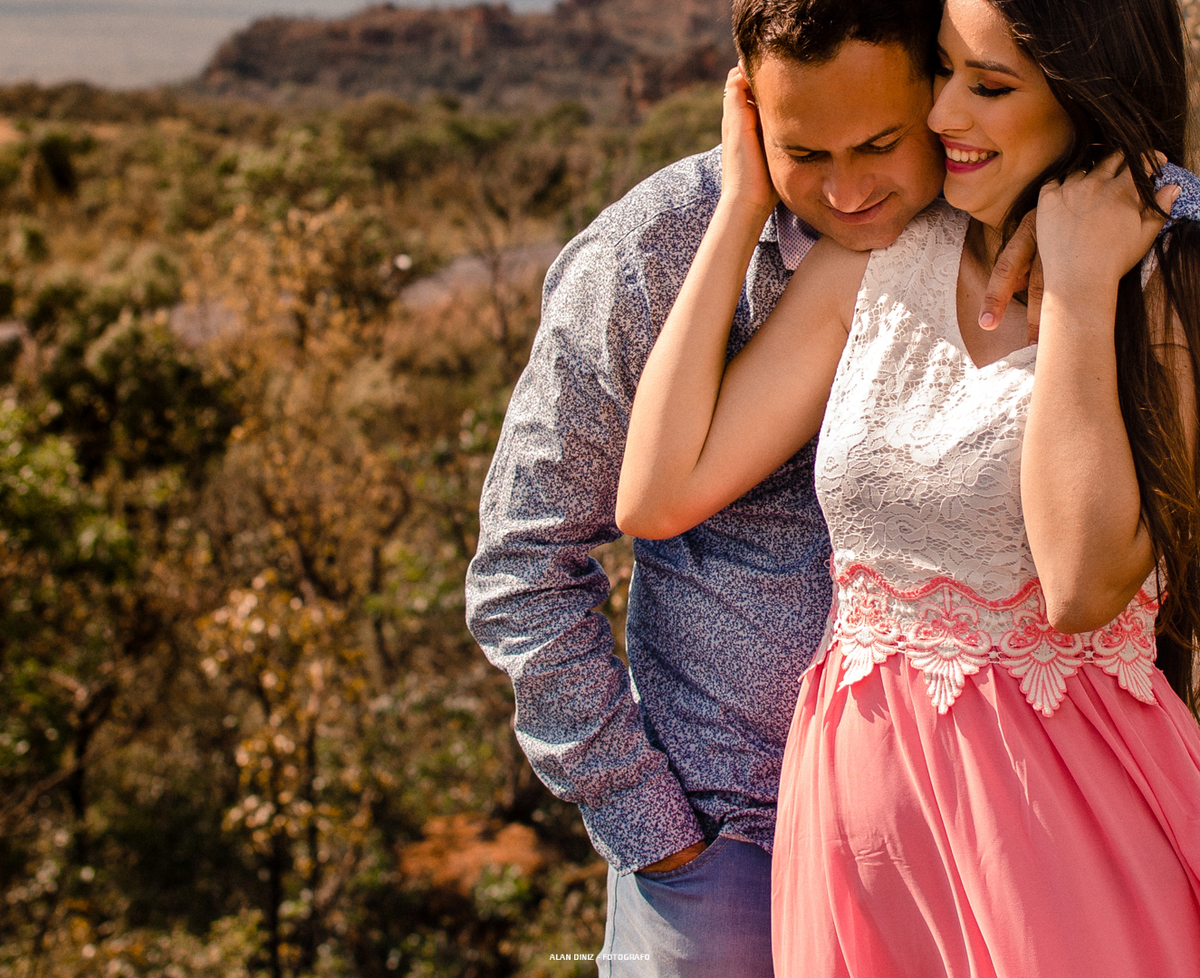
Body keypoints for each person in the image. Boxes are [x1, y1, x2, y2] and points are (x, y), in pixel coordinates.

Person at [461, 0, 1049, 970]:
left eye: (879, 144)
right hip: (725, 834)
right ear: (745, 111)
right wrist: (653, 827)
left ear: (935, 98)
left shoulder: (997, 210)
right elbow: (525, 561)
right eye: (803, 153)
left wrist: (1123, 197)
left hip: (961, 827)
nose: (849, 190)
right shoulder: (648, 252)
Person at [617, 0, 1200, 973]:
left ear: (1086, 93)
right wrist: (741, 205)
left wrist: (1082, 288)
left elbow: (1081, 584)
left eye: (989, 85)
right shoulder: (884, 254)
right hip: (861, 837)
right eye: (942, 72)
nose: (941, 116)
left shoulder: (1165, 279)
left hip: (1057, 836)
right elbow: (659, 490)